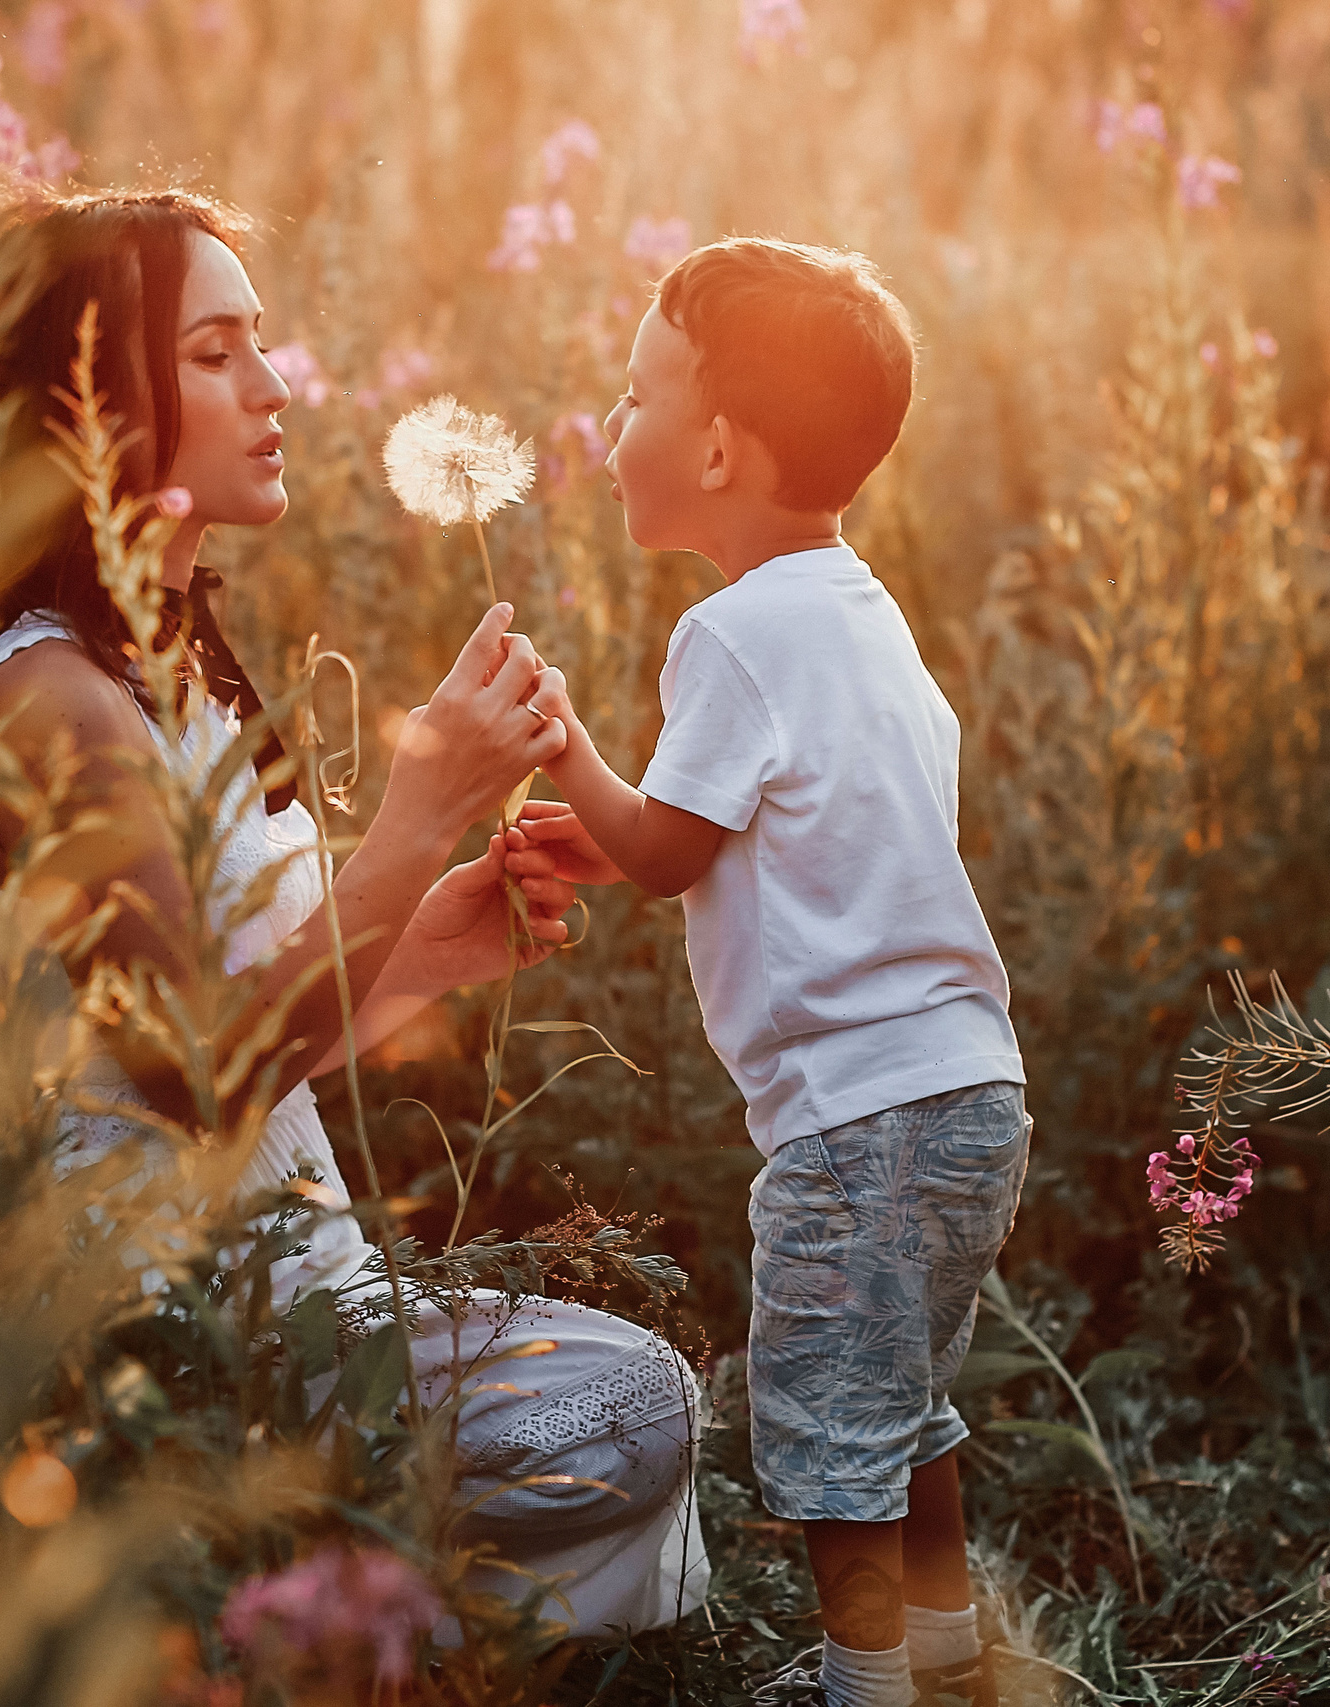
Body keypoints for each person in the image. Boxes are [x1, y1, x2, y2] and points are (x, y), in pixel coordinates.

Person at [0, 183, 708, 1639]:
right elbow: (191, 1070)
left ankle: (347, 1621)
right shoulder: (42, 699)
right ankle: (281, 1604)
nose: (275, 386)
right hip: (165, 1325)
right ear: (92, 402)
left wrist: (435, 934)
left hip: (286, 1283)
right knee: (627, 1404)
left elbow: (252, 1036)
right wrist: (423, 804)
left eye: (264, 344)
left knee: (637, 1393)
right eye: (214, 353)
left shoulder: (156, 675)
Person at [518, 239, 1029, 1706]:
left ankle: (861, 1691)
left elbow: (675, 850)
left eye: (633, 399)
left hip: (856, 1122)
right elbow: (747, 836)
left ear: (720, 446)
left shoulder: (731, 635)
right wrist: (605, 835)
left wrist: (566, 749)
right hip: (963, 1095)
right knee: (904, 1407)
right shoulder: (864, 624)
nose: (613, 432)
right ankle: (945, 1663)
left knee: (825, 1433)